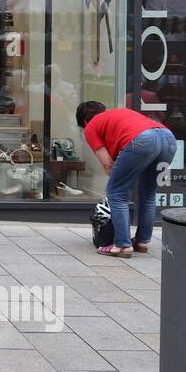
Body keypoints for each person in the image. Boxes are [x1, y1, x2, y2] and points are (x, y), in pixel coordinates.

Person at [76, 101, 176, 258]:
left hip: (143, 140)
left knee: (116, 192)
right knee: (148, 192)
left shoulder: (91, 126)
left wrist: (117, 181)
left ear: (84, 121)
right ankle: (142, 241)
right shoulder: (118, 114)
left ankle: (122, 245)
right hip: (168, 138)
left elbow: (108, 163)